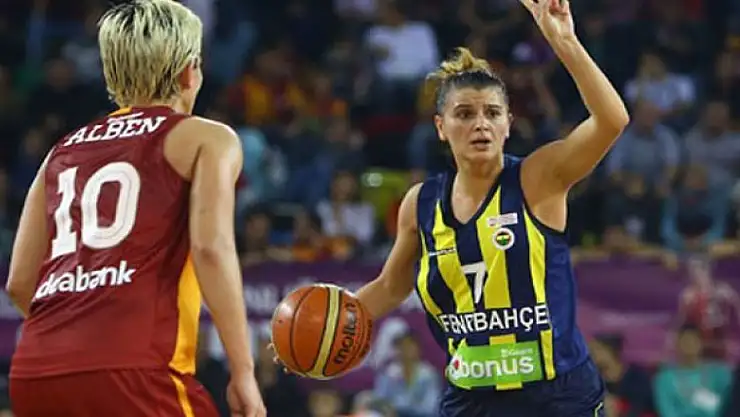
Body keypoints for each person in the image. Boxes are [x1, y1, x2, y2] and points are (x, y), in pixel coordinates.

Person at [277, 0, 629, 416]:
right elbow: (391, 286)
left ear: (508, 124)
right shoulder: (421, 203)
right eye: (464, 113)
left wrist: (565, 41)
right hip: (472, 397)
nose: (480, 123)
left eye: (492, 113)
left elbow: (612, 120)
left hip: (556, 397)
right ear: (441, 127)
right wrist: (315, 331)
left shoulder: (537, 179)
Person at [4, 1, 266, 416]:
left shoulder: (61, 151)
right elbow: (211, 249)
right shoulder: (207, 138)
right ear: (189, 72)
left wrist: (77, 338)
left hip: (37, 371)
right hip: (137, 369)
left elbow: (20, 282)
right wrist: (244, 370)